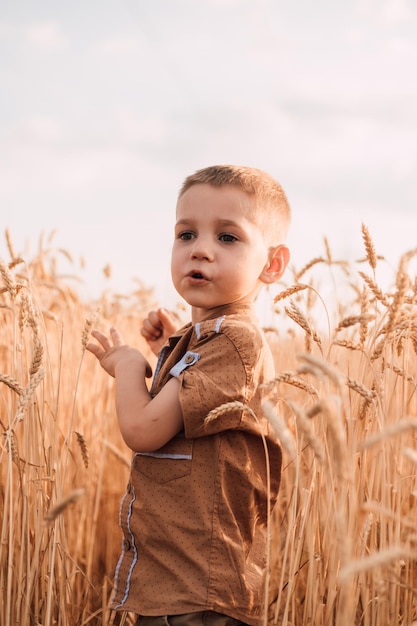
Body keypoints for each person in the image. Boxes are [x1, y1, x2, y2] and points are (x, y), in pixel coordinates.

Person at [86, 164, 291, 626]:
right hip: (177, 579)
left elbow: (143, 429)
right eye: (186, 234)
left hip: (201, 588)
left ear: (273, 264)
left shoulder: (237, 341)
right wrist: (166, 351)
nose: (201, 249)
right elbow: (196, 407)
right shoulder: (208, 341)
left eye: (228, 238)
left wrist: (128, 367)